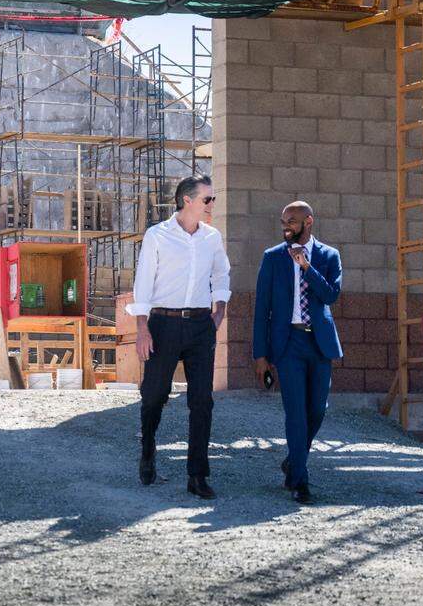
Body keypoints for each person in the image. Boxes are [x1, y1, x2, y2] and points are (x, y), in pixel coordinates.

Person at [128, 175, 230, 499]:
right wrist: (142, 328)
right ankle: (148, 449)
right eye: (207, 200)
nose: (211, 205)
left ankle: (197, 475)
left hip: (201, 325)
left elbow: (221, 273)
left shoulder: (212, 238)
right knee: (154, 394)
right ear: (187, 200)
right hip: (163, 324)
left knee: (202, 401)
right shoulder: (157, 236)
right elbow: (143, 282)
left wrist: (220, 311)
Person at [252, 201, 343, 505]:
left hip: (319, 344)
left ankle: (294, 460)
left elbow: (331, 294)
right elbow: (261, 310)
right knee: (295, 413)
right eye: (283, 221)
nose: (286, 226)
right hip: (288, 343)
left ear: (308, 222)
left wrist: (307, 266)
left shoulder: (329, 256)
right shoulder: (273, 258)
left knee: (317, 410)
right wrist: (260, 356)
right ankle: (299, 481)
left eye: (292, 221)